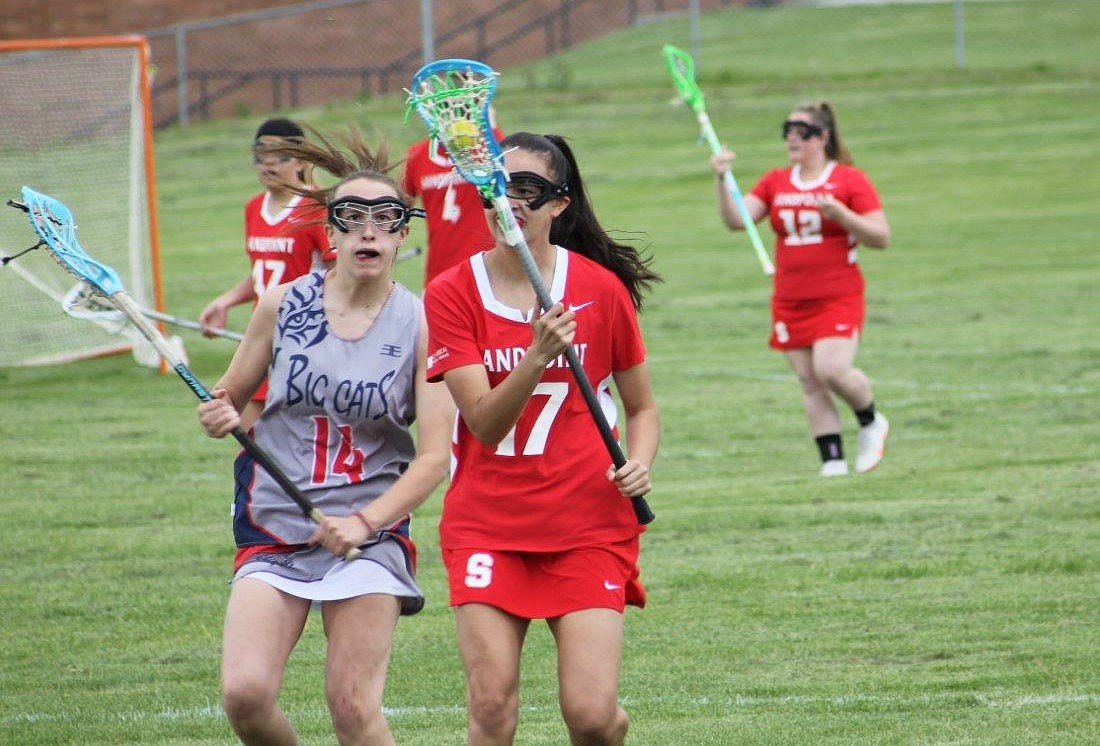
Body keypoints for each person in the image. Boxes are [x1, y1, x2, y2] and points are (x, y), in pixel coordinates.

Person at [196, 129, 453, 746]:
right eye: (351, 218)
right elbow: (228, 395)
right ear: (330, 233)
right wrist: (220, 414)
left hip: (371, 531)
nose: (367, 231)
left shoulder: (423, 322)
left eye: (384, 218)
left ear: (401, 234)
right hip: (276, 519)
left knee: (352, 707)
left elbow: (436, 458)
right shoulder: (284, 303)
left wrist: (366, 523)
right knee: (246, 696)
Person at [422, 132, 662, 745]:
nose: (510, 203)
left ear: (559, 204)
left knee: (589, 715)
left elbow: (642, 408)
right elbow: (482, 422)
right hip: (487, 523)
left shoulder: (601, 290)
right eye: (497, 188)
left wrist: (638, 462)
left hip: (587, 523)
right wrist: (535, 358)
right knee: (492, 709)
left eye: (527, 189)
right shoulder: (451, 293)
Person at [710, 100, 892, 476]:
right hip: (790, 299)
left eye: (802, 131)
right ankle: (833, 463)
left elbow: (881, 236)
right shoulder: (776, 181)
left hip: (837, 295)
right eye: (788, 131)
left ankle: (871, 420)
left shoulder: (848, 180)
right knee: (810, 381)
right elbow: (737, 220)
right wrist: (721, 179)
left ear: (822, 137)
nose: (793, 138)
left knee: (831, 369)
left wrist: (841, 215)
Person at [199, 117, 333, 430]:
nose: (269, 166)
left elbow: (340, 275)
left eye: (280, 157)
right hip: (261, 340)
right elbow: (263, 271)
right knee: (250, 450)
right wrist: (226, 301)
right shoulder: (253, 207)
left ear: (300, 160)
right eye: (262, 157)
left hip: (306, 344)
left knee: (301, 448)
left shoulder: (318, 208)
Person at [402, 106, 503, 285]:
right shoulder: (417, 155)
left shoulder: (486, 149)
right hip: (440, 273)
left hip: (489, 271)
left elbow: (506, 169)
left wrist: (491, 129)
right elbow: (399, 209)